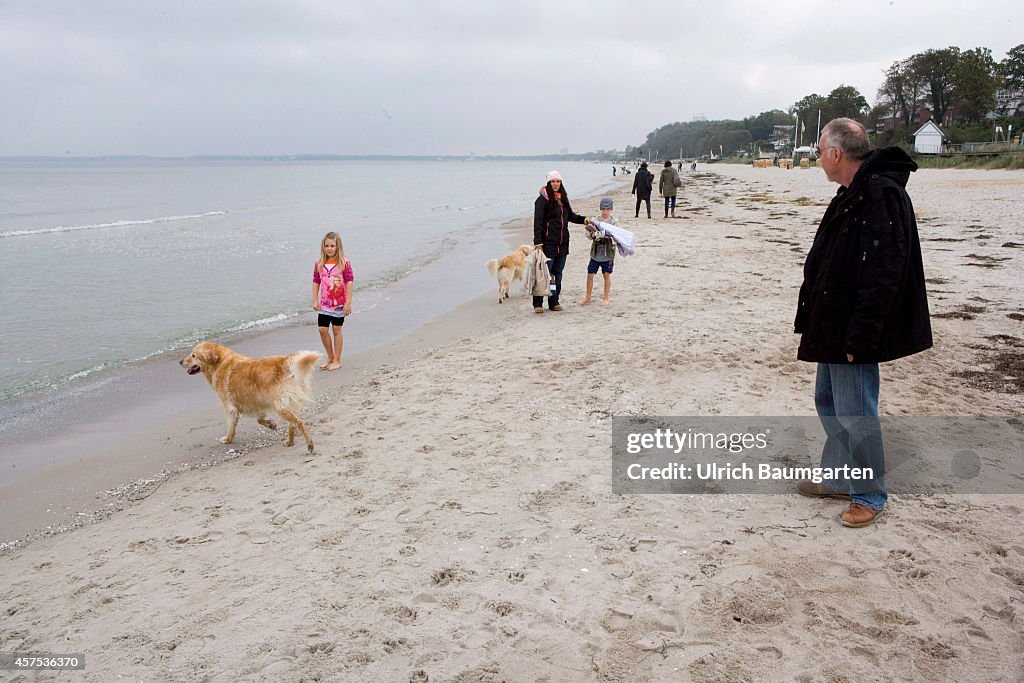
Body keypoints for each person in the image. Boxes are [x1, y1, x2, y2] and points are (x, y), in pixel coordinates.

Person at [793, 118, 932, 528]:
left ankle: (869, 494)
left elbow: (884, 273)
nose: (818, 157)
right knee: (830, 402)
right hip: (832, 321)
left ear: (836, 153)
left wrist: (862, 333)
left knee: (856, 411)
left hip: (852, 327)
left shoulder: (880, 195)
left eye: (820, 150)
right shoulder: (851, 193)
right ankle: (838, 476)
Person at [533, 171, 588, 314]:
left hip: (563, 244)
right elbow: (538, 222)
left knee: (557, 274)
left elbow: (570, 215)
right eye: (553, 181)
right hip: (548, 244)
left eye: (558, 181)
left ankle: (554, 301)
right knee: (544, 274)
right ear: (548, 183)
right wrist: (538, 242)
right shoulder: (542, 200)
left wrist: (584, 220)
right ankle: (537, 303)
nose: (555, 184)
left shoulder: (562, 198)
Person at [312, 231, 354, 371]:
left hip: (339, 304)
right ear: (323, 247)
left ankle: (337, 359)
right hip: (324, 304)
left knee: (337, 329)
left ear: (337, 247)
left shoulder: (344, 263)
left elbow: (349, 282)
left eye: (332, 246)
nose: (329, 248)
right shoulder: (319, 263)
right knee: (322, 329)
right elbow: (316, 281)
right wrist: (315, 300)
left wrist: (348, 303)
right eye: (327, 246)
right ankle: (330, 356)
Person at [578, 197, 617, 306]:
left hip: (608, 254)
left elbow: (617, 236)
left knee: (606, 275)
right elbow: (588, 233)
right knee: (590, 274)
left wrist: (606, 235)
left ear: (611, 209)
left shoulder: (614, 222)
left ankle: (606, 298)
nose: (605, 211)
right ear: (600, 209)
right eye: (603, 209)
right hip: (595, 254)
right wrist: (593, 235)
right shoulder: (596, 220)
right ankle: (588, 297)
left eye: (608, 209)